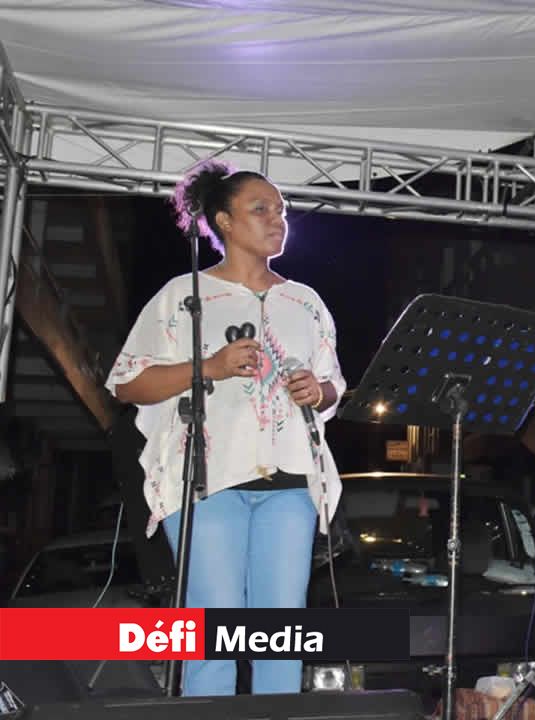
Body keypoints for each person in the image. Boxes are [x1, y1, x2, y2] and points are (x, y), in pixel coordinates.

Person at [107, 160, 344, 696]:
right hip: (207, 482)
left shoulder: (305, 302)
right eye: (261, 209)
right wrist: (208, 367)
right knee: (213, 632)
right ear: (224, 221)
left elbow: (334, 384)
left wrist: (319, 391)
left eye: (281, 210)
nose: (277, 220)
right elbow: (126, 383)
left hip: (291, 483)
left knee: (281, 633)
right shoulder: (184, 296)